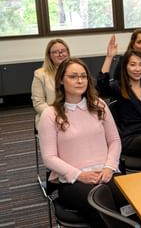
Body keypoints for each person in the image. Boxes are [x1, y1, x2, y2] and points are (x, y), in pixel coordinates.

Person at [38, 58, 127, 228]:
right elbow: (49, 158)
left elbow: (114, 140)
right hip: (72, 181)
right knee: (100, 202)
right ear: (61, 81)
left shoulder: (99, 105)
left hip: (106, 172)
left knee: (130, 200)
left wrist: (109, 167)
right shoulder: (50, 114)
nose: (80, 81)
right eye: (73, 76)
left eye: (83, 76)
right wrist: (80, 175)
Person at [97, 35, 141, 164]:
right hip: (131, 137)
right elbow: (101, 88)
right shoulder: (118, 87)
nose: (137, 69)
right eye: (132, 65)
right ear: (125, 67)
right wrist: (109, 57)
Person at [31, 38, 70, 126]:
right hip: (51, 119)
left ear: (68, 52)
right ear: (49, 55)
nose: (60, 54)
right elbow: (39, 104)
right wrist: (57, 116)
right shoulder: (40, 74)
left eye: (63, 51)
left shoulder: (75, 71)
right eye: (55, 52)